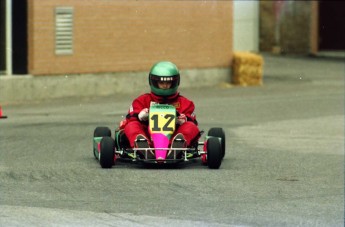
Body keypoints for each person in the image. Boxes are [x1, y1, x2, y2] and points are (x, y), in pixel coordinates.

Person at [119, 61, 200, 158]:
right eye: (161, 82)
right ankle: (142, 144)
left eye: (168, 82)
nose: (165, 86)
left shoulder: (185, 103)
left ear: (175, 82)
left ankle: (177, 145)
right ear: (153, 82)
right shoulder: (142, 100)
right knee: (131, 125)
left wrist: (183, 119)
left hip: (173, 135)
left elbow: (192, 121)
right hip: (148, 135)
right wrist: (140, 116)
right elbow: (131, 118)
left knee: (190, 126)